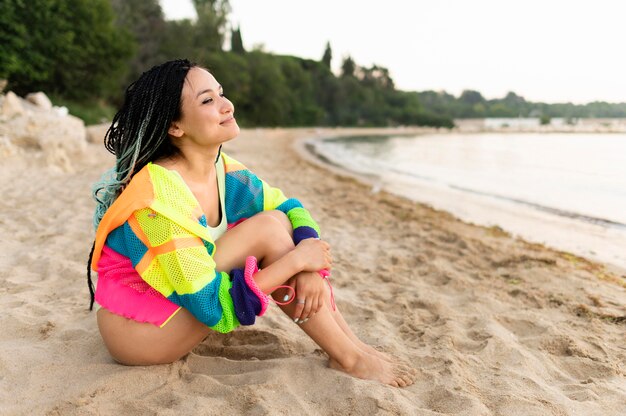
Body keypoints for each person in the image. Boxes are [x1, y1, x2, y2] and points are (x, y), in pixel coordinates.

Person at [87, 59, 415, 387]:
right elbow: (213, 308)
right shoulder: (157, 200)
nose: (226, 106)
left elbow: (290, 208)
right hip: (140, 333)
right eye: (207, 101)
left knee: (274, 221)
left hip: (177, 302)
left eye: (221, 93)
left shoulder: (224, 171)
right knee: (269, 231)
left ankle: (352, 348)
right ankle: (350, 356)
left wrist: (311, 271)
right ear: (175, 126)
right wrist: (296, 262)